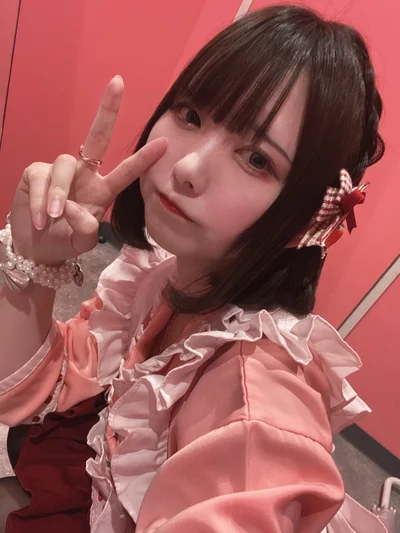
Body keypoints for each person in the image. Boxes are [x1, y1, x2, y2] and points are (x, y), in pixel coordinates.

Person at [0, 4, 388, 533]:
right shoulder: (161, 272)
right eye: (191, 115)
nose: (186, 167)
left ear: (306, 218)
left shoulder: (257, 410)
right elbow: (30, 391)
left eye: (257, 159)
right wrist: (34, 262)